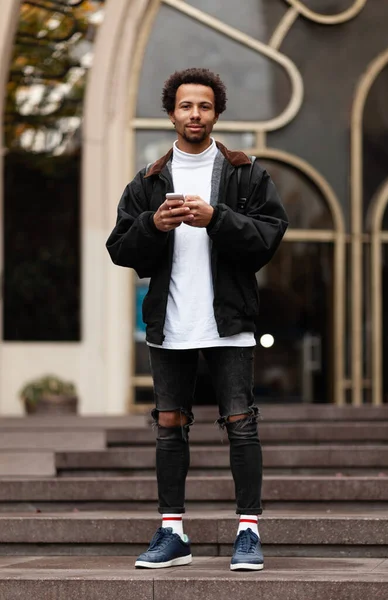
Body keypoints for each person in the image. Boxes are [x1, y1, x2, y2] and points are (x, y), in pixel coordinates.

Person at [106, 67, 288, 571]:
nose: (195, 114)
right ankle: (173, 534)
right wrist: (153, 225)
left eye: (204, 106)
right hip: (170, 322)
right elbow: (119, 248)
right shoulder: (148, 180)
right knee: (168, 426)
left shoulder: (245, 172)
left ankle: (248, 534)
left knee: (241, 425)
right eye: (186, 106)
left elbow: (270, 236)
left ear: (216, 113)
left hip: (229, 321)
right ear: (172, 113)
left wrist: (218, 220)